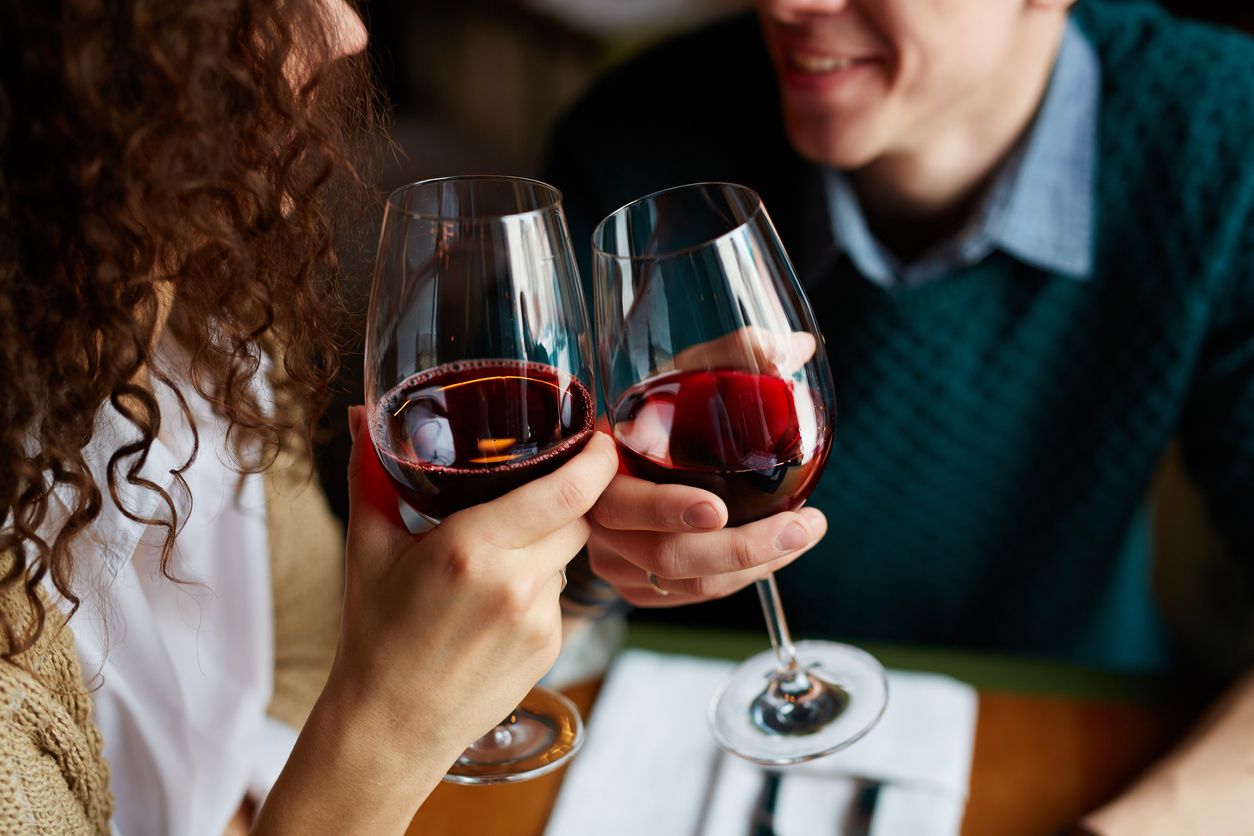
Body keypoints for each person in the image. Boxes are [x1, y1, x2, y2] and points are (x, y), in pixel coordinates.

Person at [545, 0, 1254, 830]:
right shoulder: (633, 133)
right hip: (705, 724)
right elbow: (552, 597)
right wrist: (592, 559)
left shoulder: (1221, 133)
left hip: (1076, 721)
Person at [0, 1, 618, 833]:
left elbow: (300, 647)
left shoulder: (196, 309)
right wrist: (383, 737)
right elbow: (352, 701)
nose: (345, 31)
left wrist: (587, 559)